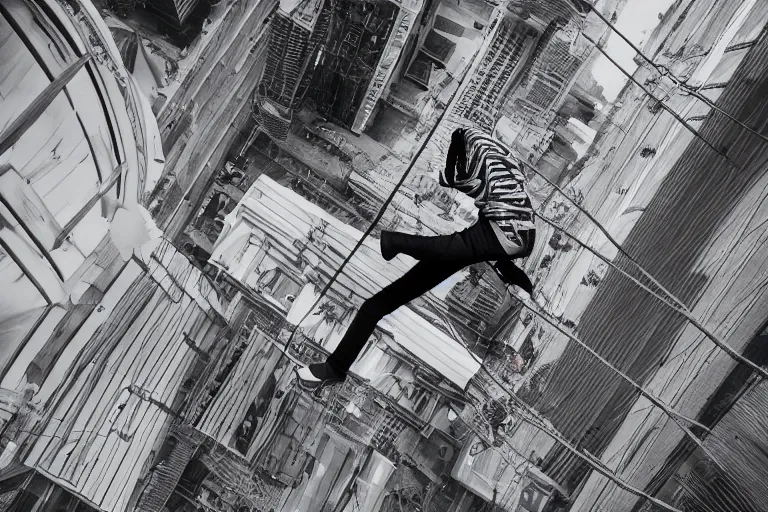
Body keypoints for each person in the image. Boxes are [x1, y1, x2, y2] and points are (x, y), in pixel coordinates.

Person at [296, 127, 537, 390]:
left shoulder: (484, 169)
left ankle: (394, 243)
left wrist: (394, 241)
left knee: (445, 247)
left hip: (504, 230)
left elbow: (444, 241)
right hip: (500, 231)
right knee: (376, 305)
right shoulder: (486, 168)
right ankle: (335, 367)